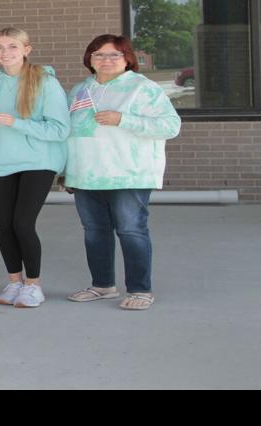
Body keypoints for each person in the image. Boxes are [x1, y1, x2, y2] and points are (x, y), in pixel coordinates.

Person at [63, 35, 181, 312]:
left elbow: (171, 125)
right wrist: (66, 171)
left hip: (128, 173)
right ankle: (102, 285)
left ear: (127, 58)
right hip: (86, 174)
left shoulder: (142, 88)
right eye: (98, 55)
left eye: (114, 55)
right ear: (89, 59)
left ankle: (140, 289)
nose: (105, 60)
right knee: (94, 231)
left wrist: (123, 119)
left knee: (131, 230)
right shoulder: (80, 90)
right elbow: (68, 133)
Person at [0, 27, 68, 309]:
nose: (5, 53)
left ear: (26, 49)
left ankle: (33, 286)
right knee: (4, 226)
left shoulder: (45, 82)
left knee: (22, 223)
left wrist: (16, 123)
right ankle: (14, 281)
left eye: (12, 47)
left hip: (37, 162)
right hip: (0, 163)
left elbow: (60, 129)